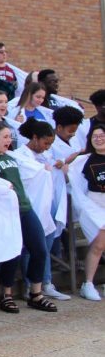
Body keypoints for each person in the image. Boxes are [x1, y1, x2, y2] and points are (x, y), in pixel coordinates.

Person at [0, 123, 57, 312]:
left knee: (39, 248)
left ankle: (36, 294)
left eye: (10, 137)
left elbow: (32, 171)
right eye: (5, 137)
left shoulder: (13, 156)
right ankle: (6, 294)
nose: (9, 140)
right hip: (6, 211)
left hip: (24, 207)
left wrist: (42, 169)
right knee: (12, 252)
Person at [15, 118, 71, 301]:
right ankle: (29, 284)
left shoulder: (47, 156)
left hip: (45, 207)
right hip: (29, 207)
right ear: (35, 138)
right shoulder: (20, 155)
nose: (47, 147)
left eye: (50, 144)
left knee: (43, 248)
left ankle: (45, 282)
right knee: (29, 249)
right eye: (45, 143)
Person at [69, 123, 105, 300]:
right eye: (95, 136)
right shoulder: (86, 159)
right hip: (95, 203)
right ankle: (88, 283)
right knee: (99, 243)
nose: (98, 139)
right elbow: (69, 171)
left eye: (102, 135)